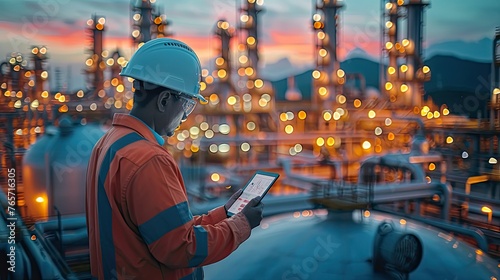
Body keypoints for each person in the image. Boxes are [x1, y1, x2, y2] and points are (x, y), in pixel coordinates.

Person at [86, 38, 264, 280]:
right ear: (164, 100)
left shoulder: (108, 144)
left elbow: (167, 230)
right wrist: (242, 225)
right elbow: (182, 248)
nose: (184, 118)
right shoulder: (149, 160)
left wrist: (224, 213)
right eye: (187, 106)